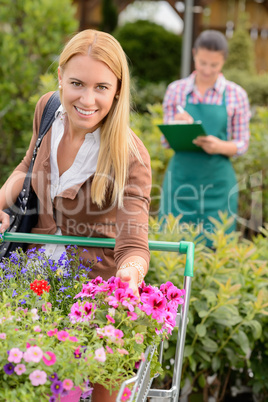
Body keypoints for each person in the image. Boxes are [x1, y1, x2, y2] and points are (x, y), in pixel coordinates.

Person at [0, 29, 151, 401]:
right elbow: (27, 165)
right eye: (76, 84)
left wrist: (130, 277)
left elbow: (134, 244)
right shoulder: (48, 110)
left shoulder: (130, 155)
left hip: (91, 298)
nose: (87, 99)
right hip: (30, 282)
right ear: (60, 79)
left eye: (101, 87)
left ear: (117, 89)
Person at [160, 29, 250, 245]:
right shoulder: (176, 91)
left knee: (216, 246)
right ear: (194, 54)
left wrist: (219, 145)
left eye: (214, 65)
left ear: (223, 62)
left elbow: (242, 144)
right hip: (180, 183)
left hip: (218, 186)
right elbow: (166, 142)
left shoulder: (236, 94)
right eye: (202, 63)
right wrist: (177, 125)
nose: (207, 70)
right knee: (173, 244)